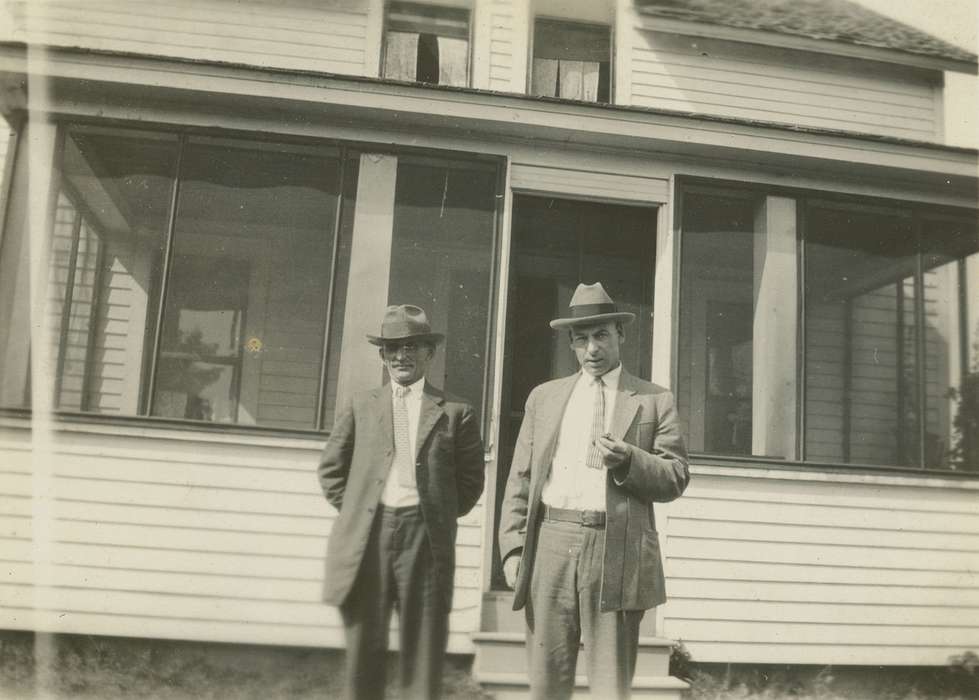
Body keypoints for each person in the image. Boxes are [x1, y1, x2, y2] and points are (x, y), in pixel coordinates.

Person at [498, 282, 690, 700]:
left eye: (601, 335)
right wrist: (513, 548)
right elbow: (521, 479)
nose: (592, 349)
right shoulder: (544, 398)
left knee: (610, 686)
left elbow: (676, 475)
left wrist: (629, 460)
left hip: (616, 549)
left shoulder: (655, 400)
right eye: (581, 338)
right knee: (547, 682)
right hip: (551, 542)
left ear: (620, 334)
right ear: (570, 343)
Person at [317, 304, 485, 700]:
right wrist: (361, 510)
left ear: (429, 353)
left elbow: (471, 482)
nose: (402, 356)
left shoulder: (456, 412)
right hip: (369, 536)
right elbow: (331, 470)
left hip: (424, 537)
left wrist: (434, 512)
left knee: (423, 644)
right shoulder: (362, 405)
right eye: (393, 348)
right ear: (382, 355)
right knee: (364, 644)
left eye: (412, 347)